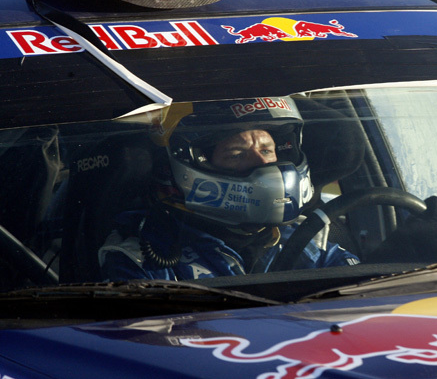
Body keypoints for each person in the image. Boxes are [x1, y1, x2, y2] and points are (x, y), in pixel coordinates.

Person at [98, 96, 359, 281]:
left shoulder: (310, 236)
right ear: (189, 164)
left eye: (267, 150)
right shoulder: (144, 257)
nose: (262, 164)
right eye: (237, 154)